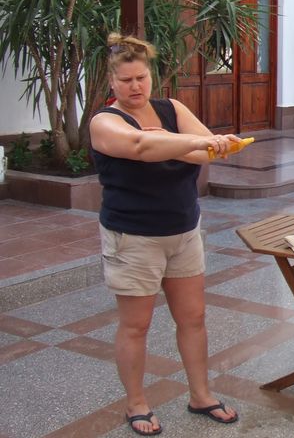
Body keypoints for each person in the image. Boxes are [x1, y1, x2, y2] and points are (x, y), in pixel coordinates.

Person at [90, 33, 240, 436]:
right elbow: (141, 146)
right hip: (133, 237)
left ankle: (201, 394)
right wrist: (197, 143)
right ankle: (136, 404)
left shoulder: (172, 109)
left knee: (193, 318)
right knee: (135, 326)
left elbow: (205, 151)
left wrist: (199, 145)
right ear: (111, 82)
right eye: (126, 80)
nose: (135, 86)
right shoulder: (105, 122)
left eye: (141, 77)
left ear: (151, 76)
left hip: (184, 231)